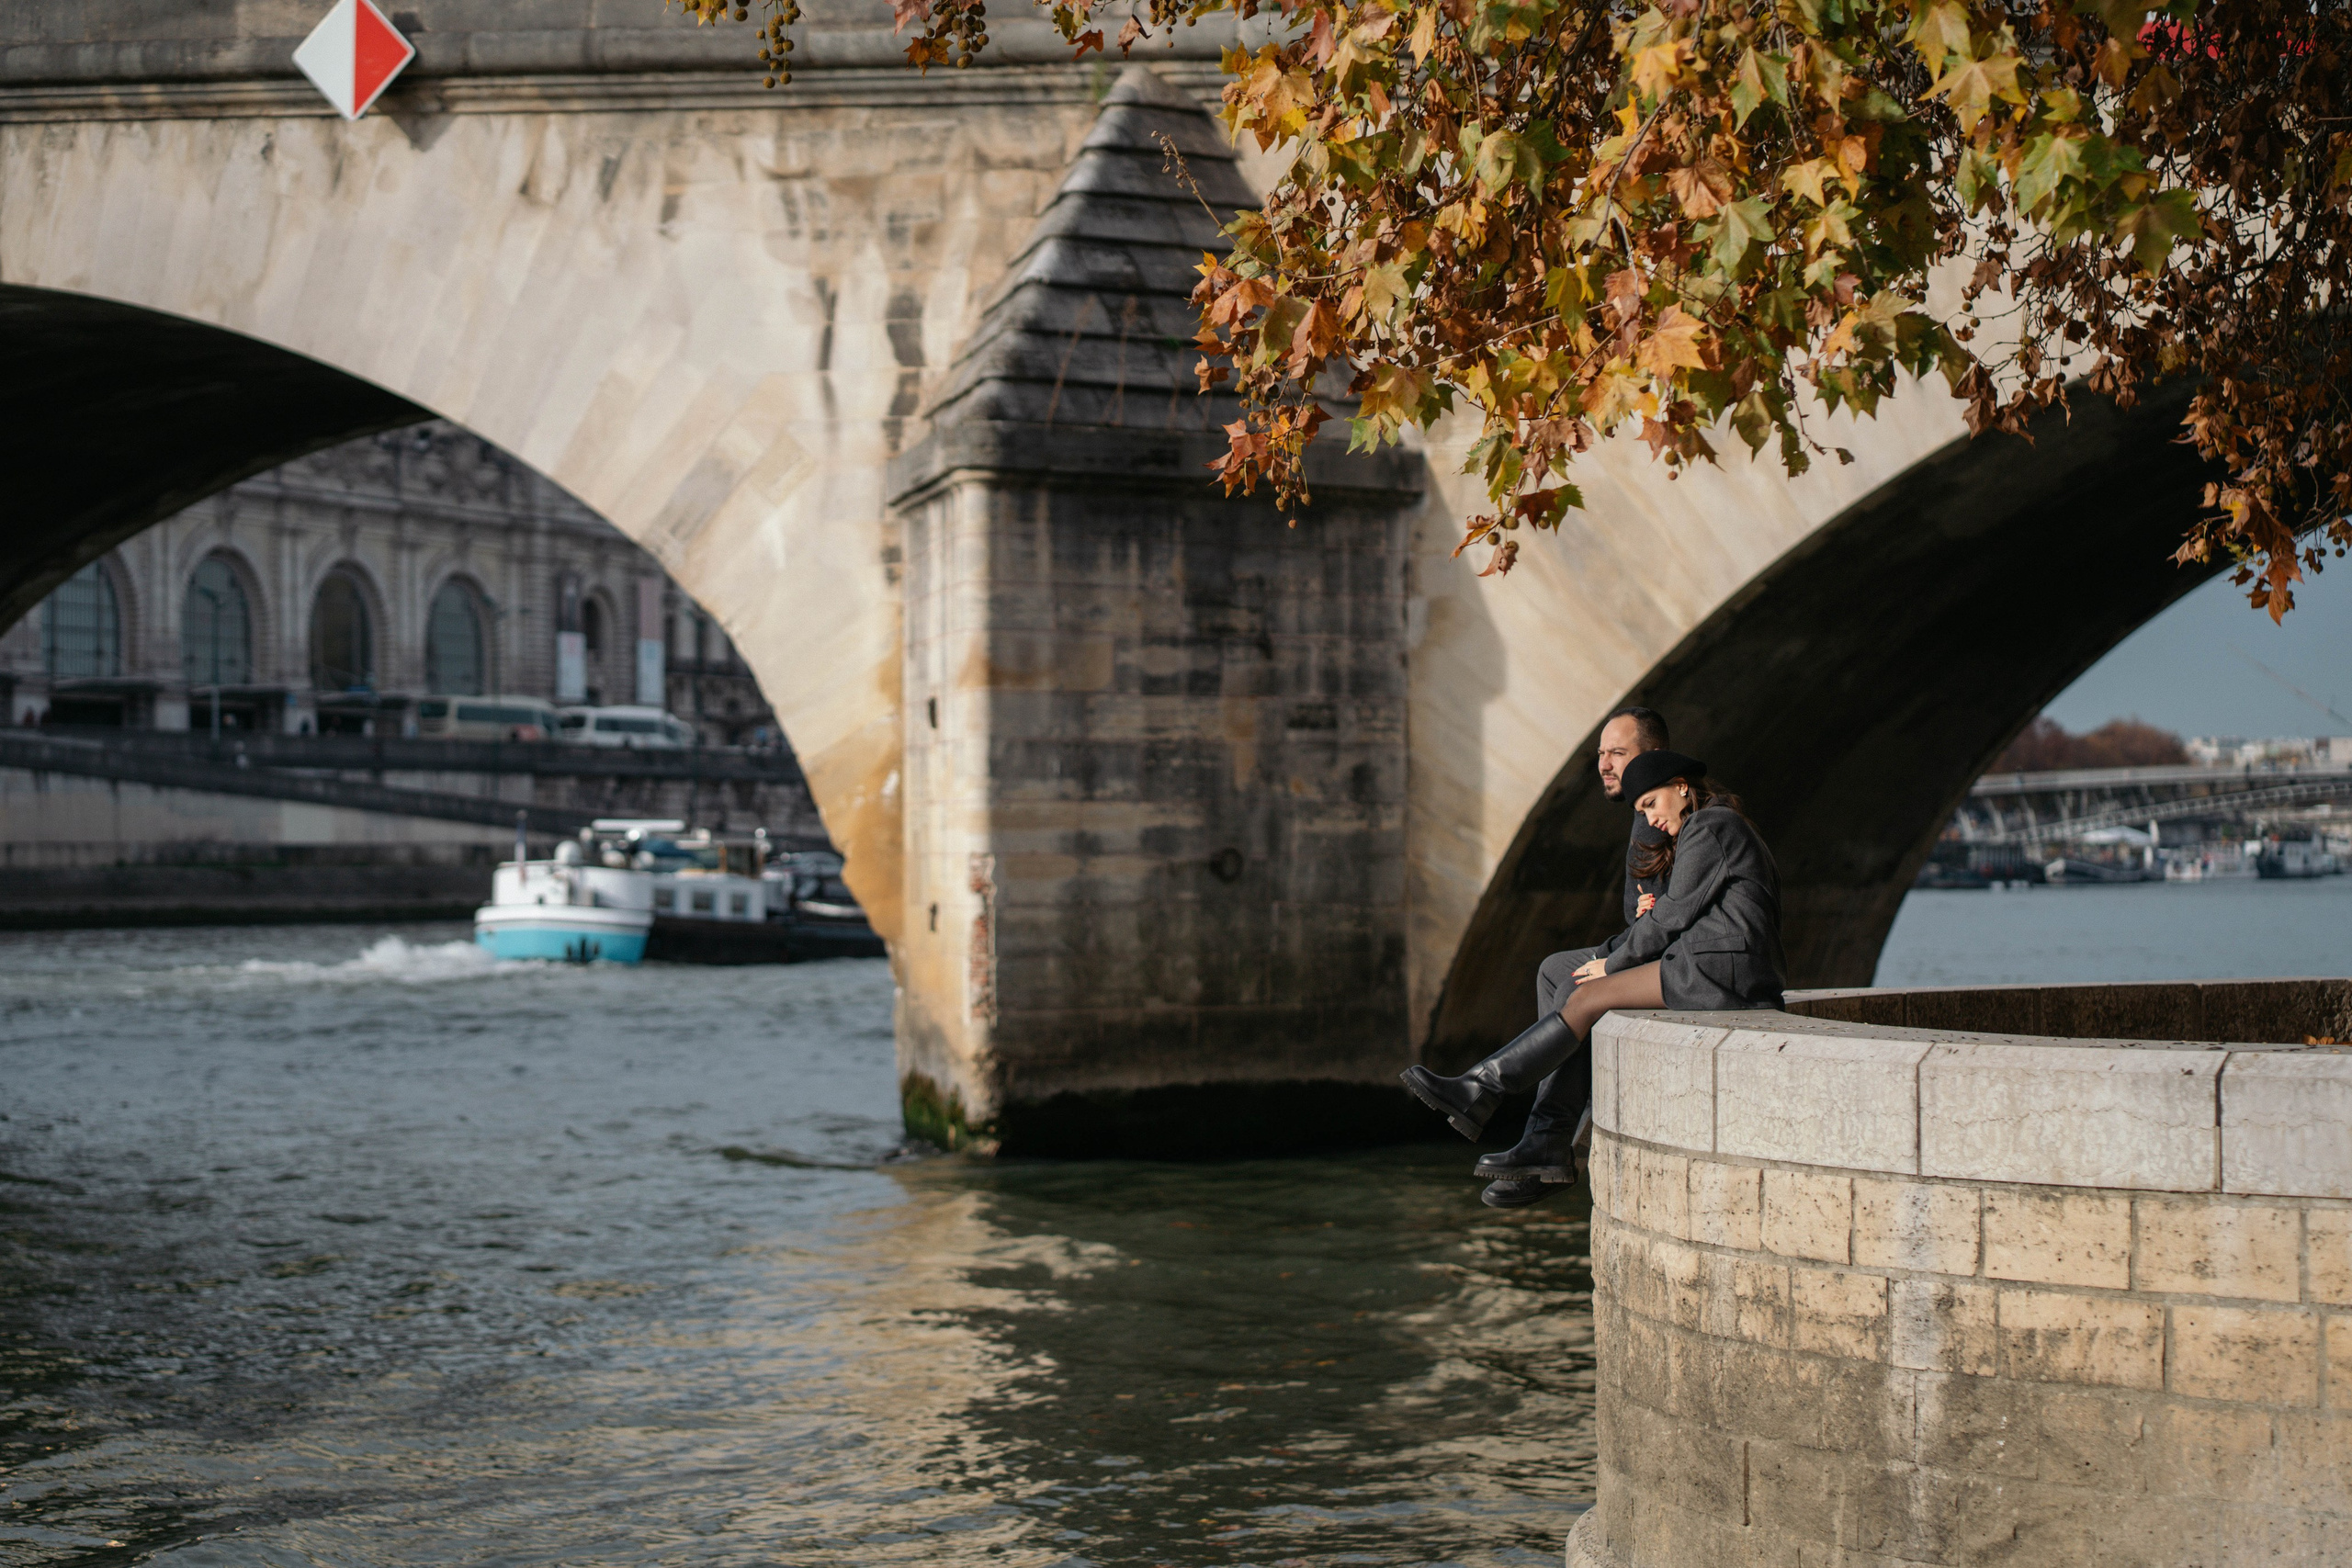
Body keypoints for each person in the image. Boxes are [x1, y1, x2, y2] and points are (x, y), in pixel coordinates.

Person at [1400, 750, 1786, 1200]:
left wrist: (1612, 963)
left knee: (1588, 997)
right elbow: (1680, 912)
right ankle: (1536, 1135)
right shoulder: (1709, 827)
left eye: (1651, 805)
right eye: (1641, 811)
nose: (1651, 819)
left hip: (1724, 971)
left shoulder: (1712, 826)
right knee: (1568, 981)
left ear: (1682, 786)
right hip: (1714, 963)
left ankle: (1486, 1090)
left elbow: (1671, 920)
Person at [1468, 705, 1671, 1209]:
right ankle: (1549, 1142)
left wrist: (1613, 960)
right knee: (1556, 969)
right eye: (1600, 753)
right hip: (1657, 951)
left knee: (1578, 983)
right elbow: (1639, 914)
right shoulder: (1649, 816)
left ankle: (1508, 1106)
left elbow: (1669, 922)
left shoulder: (1685, 820)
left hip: (1685, 967)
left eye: (1617, 753)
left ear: (1657, 759)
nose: (1603, 764)